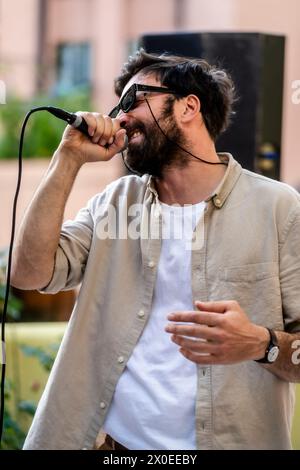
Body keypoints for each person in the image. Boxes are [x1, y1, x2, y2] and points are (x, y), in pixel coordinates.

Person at [12, 50, 300, 450]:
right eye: (117, 107)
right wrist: (68, 158)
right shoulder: (114, 202)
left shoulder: (278, 208)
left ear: (188, 106)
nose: (121, 118)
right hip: (116, 447)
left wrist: (261, 343)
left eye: (133, 101)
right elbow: (28, 274)